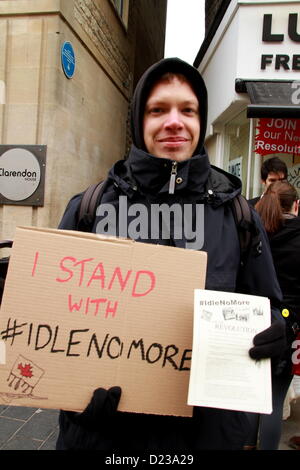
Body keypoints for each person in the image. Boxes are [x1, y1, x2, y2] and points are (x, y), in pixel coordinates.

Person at [56, 57, 286, 451]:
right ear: (138, 120)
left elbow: (273, 308)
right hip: (106, 440)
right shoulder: (90, 208)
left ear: (201, 121)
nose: (174, 121)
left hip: (204, 438)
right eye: (158, 109)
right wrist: (75, 401)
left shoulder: (237, 214)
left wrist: (278, 334)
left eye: (188, 110)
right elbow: (53, 323)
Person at [246, 181, 300, 450]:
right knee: (275, 399)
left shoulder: (254, 233)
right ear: (296, 205)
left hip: (251, 323)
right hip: (289, 328)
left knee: (247, 396)